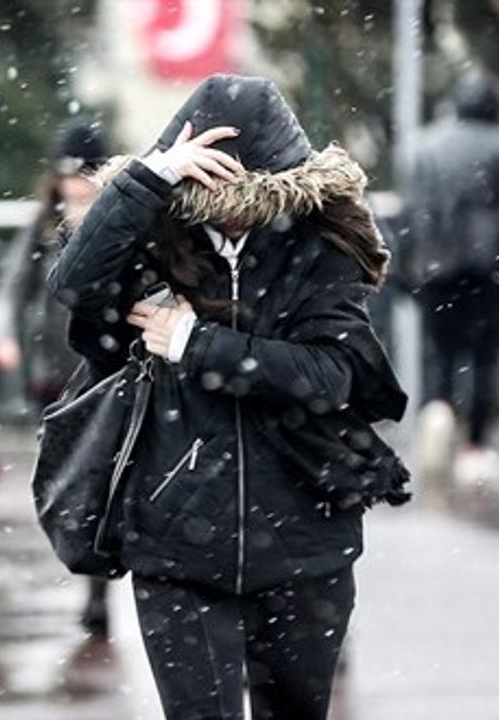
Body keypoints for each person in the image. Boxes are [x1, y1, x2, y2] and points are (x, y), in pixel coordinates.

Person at [49, 74, 410, 720]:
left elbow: (330, 375)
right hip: (175, 541)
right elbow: (73, 284)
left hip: (304, 537)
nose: (230, 211)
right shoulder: (155, 237)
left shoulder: (319, 247)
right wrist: (152, 175)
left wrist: (198, 345)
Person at [0, 116, 115, 635]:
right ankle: (85, 563)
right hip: (55, 377)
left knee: (101, 479)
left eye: (84, 174)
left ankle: (98, 587)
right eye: (67, 175)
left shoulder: (120, 221)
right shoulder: (43, 229)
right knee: (68, 481)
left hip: (107, 372)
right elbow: (13, 287)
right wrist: (2, 336)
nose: (75, 186)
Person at [401, 70, 499, 485]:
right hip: (486, 268)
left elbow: (411, 211)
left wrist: (407, 266)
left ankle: (438, 413)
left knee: (440, 351)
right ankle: (476, 447)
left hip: (436, 266)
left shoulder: (427, 145)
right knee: (484, 357)